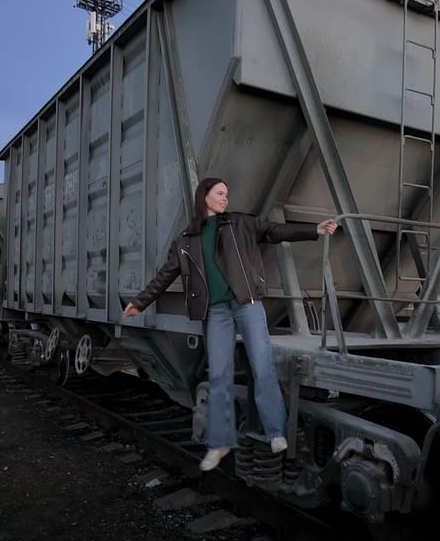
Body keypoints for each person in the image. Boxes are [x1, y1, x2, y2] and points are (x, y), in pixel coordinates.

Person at [124, 177, 338, 471]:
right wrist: (140, 302)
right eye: (220, 193)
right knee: (219, 375)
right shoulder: (185, 241)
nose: (226, 198)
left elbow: (276, 231)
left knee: (262, 365)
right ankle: (219, 442)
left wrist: (314, 229)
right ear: (205, 197)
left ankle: (276, 432)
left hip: (247, 304)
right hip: (216, 312)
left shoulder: (240, 224)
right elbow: (165, 276)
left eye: (227, 193)